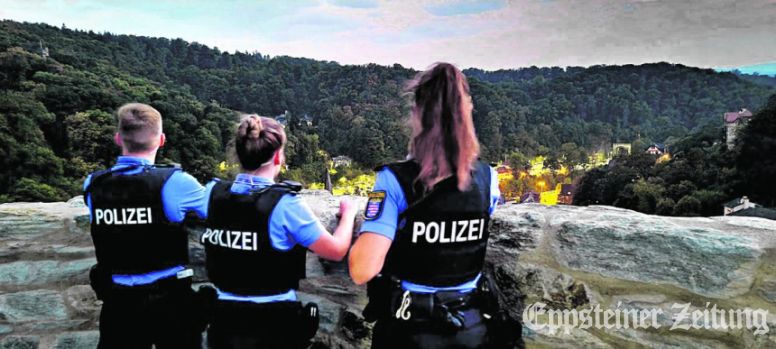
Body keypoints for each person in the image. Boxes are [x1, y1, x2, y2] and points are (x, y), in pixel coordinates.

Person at [349, 63, 522, 348]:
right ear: (467, 114)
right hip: (472, 327)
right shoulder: (488, 179)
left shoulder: (394, 181)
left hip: (410, 330)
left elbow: (362, 269)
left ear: (417, 114)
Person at [199, 114, 357, 349]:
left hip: (223, 322)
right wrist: (349, 215)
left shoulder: (212, 193)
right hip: (273, 324)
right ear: (277, 157)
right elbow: (335, 251)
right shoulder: (285, 204)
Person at [83, 103, 207, 348]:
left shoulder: (93, 184)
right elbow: (220, 211)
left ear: (119, 138)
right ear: (161, 140)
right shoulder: (175, 183)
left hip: (118, 303)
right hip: (170, 301)